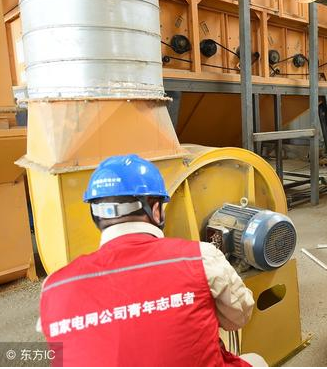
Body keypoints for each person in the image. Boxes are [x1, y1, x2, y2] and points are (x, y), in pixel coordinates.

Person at [37, 154, 266, 367]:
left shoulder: (54, 287)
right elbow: (239, 317)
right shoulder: (201, 257)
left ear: (95, 214)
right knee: (255, 360)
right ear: (156, 209)